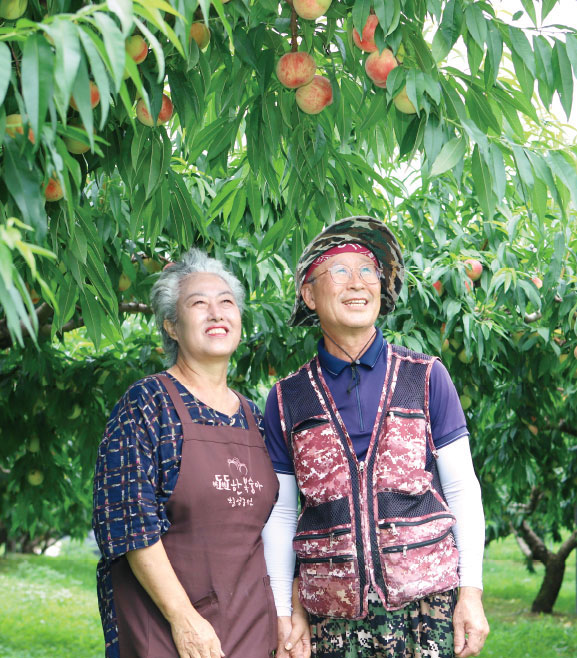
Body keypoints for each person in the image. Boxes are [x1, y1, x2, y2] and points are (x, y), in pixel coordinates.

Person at [261, 216, 489, 658]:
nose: (357, 283)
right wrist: (282, 609)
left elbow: (462, 488)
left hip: (428, 612)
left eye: (368, 271)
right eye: (339, 271)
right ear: (309, 293)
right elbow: (284, 512)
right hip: (332, 621)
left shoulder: (425, 378)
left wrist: (472, 592)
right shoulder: (287, 398)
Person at [93, 248, 279, 658]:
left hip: (250, 631)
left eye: (226, 302)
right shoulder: (147, 404)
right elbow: (127, 523)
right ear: (172, 327)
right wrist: (182, 618)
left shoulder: (256, 417)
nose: (216, 313)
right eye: (199, 303)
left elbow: (273, 529)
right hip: (168, 632)